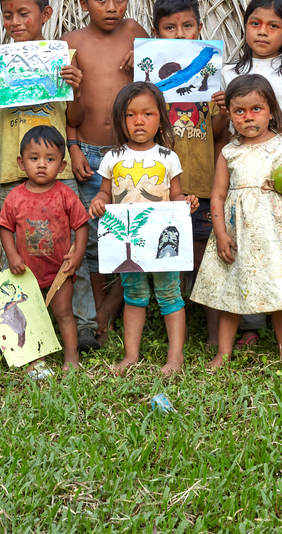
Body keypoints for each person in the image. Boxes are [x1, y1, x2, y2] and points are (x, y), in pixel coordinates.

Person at [193, 74, 282, 369]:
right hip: (239, 233)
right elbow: (217, 195)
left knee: (281, 293)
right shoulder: (229, 152)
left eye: (256, 109)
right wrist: (220, 233)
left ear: (271, 111)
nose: (248, 117)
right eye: (239, 111)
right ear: (230, 115)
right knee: (232, 292)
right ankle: (223, 353)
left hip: (277, 235)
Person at [63, 0, 151, 351]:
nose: (112, 7)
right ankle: (97, 312)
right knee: (94, 239)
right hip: (88, 153)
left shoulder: (136, 33)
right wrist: (73, 147)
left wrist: (142, 60)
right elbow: (67, 106)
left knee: (133, 233)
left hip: (130, 154)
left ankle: (111, 308)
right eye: (102, 0)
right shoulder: (70, 42)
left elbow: (153, 91)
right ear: (84, 3)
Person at [86, 82, 193, 376]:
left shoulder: (168, 157)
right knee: (134, 293)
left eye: (148, 113)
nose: (139, 121)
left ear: (161, 118)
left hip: (162, 242)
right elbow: (105, 191)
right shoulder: (112, 157)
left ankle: (175, 357)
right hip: (127, 240)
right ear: (120, 120)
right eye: (130, 115)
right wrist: (98, 200)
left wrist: (187, 202)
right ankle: (131, 355)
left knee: (169, 294)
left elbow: (176, 195)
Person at [216, 0, 282, 348]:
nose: (262, 32)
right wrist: (218, 114)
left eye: (273, 26)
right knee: (246, 247)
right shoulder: (228, 73)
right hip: (243, 170)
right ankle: (249, 324)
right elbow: (220, 132)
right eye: (255, 24)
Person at [150, 0, 228, 344]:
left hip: (201, 181)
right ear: (156, 32)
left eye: (187, 26)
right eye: (170, 28)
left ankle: (212, 333)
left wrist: (222, 112)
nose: (180, 34)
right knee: (162, 257)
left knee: (205, 258)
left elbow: (215, 133)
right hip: (161, 185)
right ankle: (167, 330)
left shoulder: (212, 80)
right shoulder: (150, 83)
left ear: (199, 29)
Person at [0, 0, 83, 187]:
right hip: (14, 168)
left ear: (45, 14)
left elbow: (75, 119)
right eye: (8, 16)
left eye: (23, 14)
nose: (15, 22)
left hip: (57, 170)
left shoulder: (64, 58)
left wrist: (76, 92)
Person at [0, 126, 89, 369]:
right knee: (31, 316)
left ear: (61, 166)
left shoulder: (65, 194)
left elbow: (81, 225)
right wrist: (12, 255)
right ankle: (36, 359)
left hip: (60, 270)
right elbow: (5, 227)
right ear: (21, 162)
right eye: (34, 158)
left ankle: (71, 357)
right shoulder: (15, 197)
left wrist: (78, 254)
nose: (41, 164)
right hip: (26, 272)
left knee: (63, 312)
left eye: (50, 159)